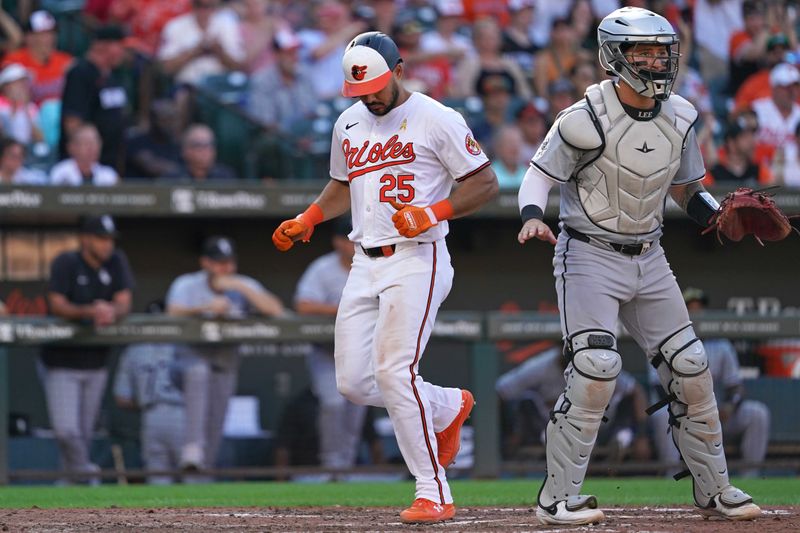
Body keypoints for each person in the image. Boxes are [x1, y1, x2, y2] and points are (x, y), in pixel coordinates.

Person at [516, 7, 761, 525]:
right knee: (595, 370)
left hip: (650, 255)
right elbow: (538, 176)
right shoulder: (582, 117)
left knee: (692, 367)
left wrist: (716, 216)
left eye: (660, 51)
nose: (655, 61)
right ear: (613, 56)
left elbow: (686, 189)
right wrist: (533, 217)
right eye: (642, 52)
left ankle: (715, 489)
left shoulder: (682, 115)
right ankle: (556, 498)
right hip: (587, 252)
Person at [271, 31, 498, 524]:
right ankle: (445, 406)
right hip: (363, 259)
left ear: (398, 70)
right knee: (353, 382)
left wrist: (434, 211)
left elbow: (485, 183)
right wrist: (308, 219)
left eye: (375, 84)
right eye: (359, 89)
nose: (369, 96)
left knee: (395, 372)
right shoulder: (349, 121)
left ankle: (433, 491)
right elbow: (341, 183)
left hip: (418, 256)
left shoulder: (436, 117)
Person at [165, 236, 285, 471]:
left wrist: (238, 286)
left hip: (224, 361)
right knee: (198, 373)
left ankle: (200, 473)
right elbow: (172, 311)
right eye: (219, 263)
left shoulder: (241, 284)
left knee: (216, 422)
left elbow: (276, 310)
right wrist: (206, 308)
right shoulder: (187, 283)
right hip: (188, 361)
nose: (226, 268)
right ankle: (192, 450)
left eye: (229, 262)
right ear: (205, 263)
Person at [40, 214, 134, 481]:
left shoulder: (117, 261)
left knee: (83, 433)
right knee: (66, 432)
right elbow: (57, 304)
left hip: (96, 361)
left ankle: (69, 486)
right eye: (101, 239)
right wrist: (89, 311)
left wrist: (109, 311)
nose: (107, 245)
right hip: (61, 360)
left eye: (110, 239)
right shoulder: (66, 262)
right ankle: (85, 472)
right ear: (85, 238)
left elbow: (124, 302)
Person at [649, 288, 771, 479]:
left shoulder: (721, 344)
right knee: (659, 416)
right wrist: (683, 410)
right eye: (690, 309)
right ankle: (670, 478)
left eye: (700, 308)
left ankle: (751, 477)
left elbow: (735, 387)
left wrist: (729, 407)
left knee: (757, 413)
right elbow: (658, 388)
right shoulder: (664, 343)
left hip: (718, 416)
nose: (696, 314)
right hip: (680, 415)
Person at [294, 218, 367, 470]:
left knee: (356, 408)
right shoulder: (322, 269)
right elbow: (303, 305)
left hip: (361, 351)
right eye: (350, 238)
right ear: (338, 242)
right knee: (333, 404)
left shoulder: (372, 264)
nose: (356, 242)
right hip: (327, 351)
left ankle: (345, 466)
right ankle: (331, 465)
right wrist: (341, 309)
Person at [496, 347, 651, 463]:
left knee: (623, 400)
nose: (572, 355)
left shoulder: (596, 365)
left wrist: (642, 436)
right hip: (555, 424)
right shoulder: (542, 366)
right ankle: (551, 438)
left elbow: (635, 391)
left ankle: (622, 437)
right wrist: (511, 431)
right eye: (569, 349)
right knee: (528, 401)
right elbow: (501, 390)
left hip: (599, 424)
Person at [113, 301, 185, 485]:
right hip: (184, 414)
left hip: (151, 415)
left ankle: (160, 515)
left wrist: (147, 404)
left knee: (158, 478)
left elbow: (122, 398)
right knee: (194, 475)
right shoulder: (186, 345)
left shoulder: (134, 350)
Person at [58, 25, 129, 172]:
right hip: (87, 167)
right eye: (120, 46)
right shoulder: (80, 73)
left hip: (111, 164)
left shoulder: (113, 76)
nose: (124, 52)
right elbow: (72, 121)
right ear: (102, 45)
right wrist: (85, 159)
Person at [1, 10, 73, 105]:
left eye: (52, 33)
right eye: (44, 34)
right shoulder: (15, 61)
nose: (50, 38)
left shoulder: (66, 61)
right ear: (29, 37)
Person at [50, 124, 119, 186]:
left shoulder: (109, 175)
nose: (92, 148)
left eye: (95, 143)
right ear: (72, 147)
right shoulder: (60, 172)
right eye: (87, 143)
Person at [164, 124, 237, 181]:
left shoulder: (226, 177)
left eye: (210, 144)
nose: (206, 150)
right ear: (185, 150)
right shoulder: (172, 179)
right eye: (199, 145)